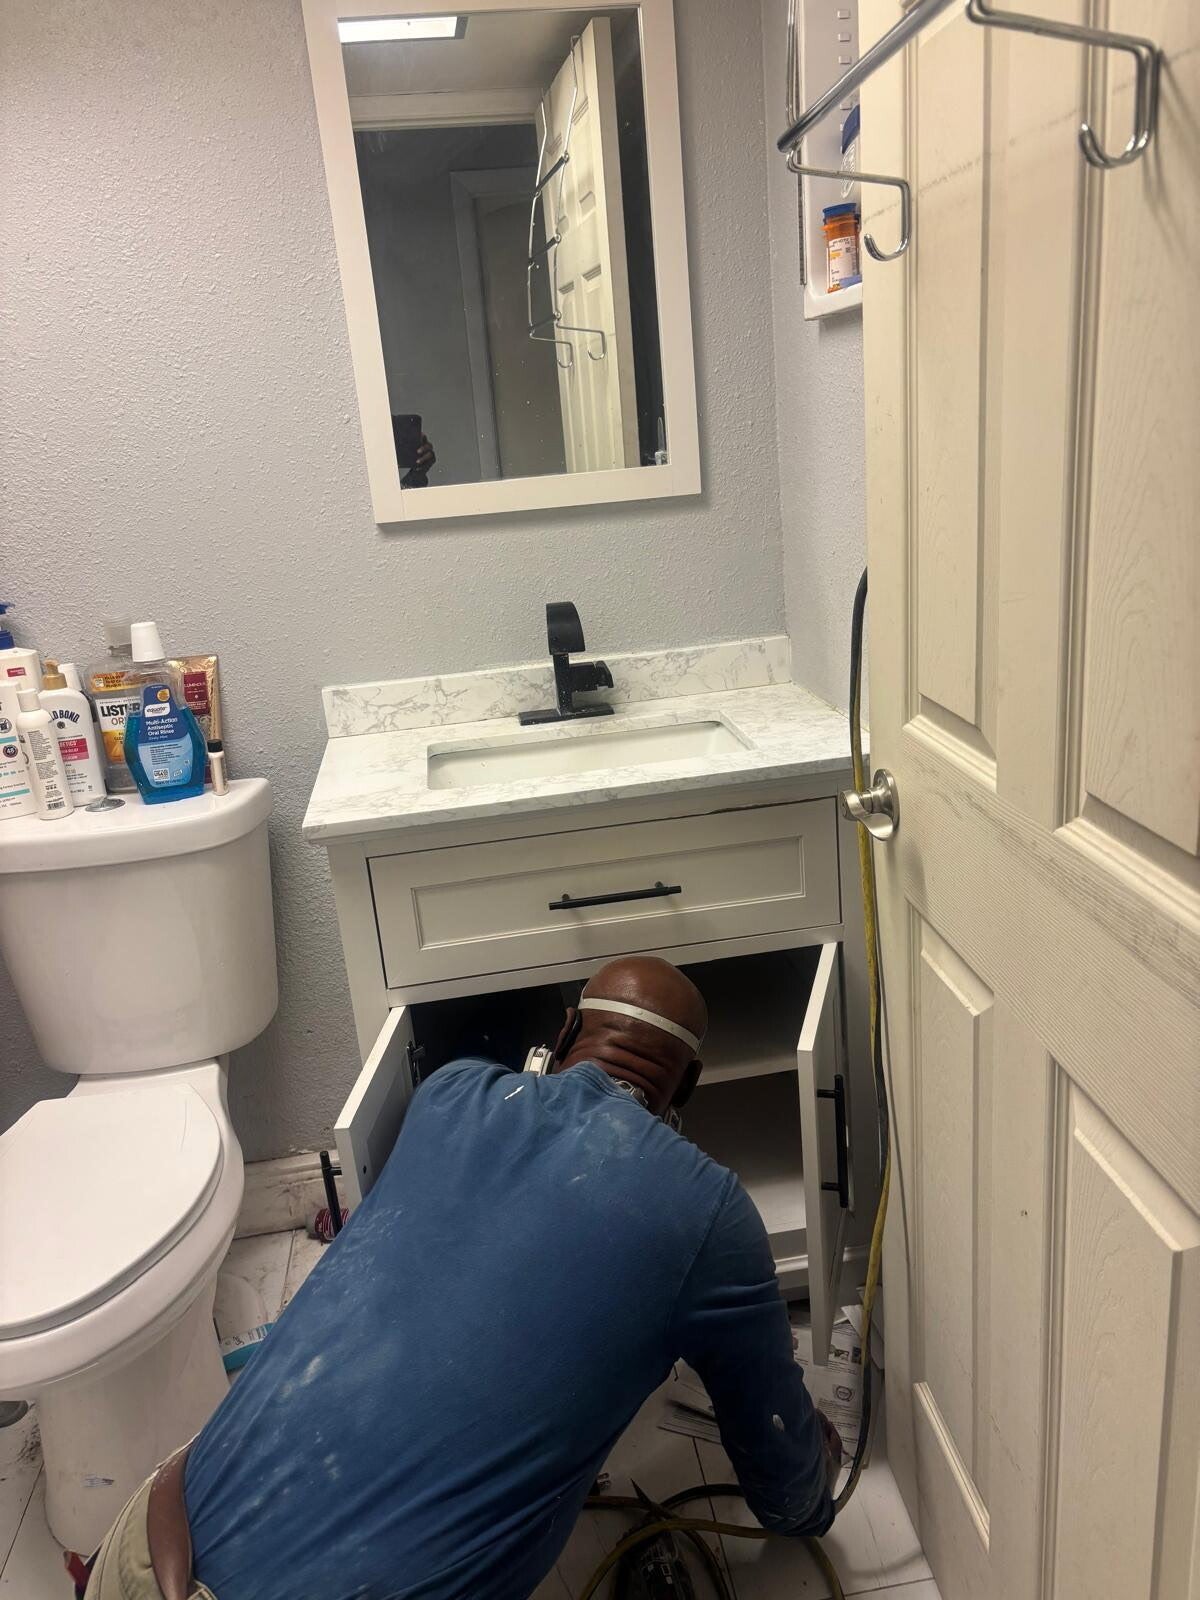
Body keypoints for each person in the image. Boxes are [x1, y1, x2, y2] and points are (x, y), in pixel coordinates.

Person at [83, 956, 841, 1600]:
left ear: (565, 1033)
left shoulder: (450, 1094)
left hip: (140, 1552)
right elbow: (785, 1488)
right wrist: (815, 1478)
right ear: (690, 1083)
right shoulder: (711, 1214)